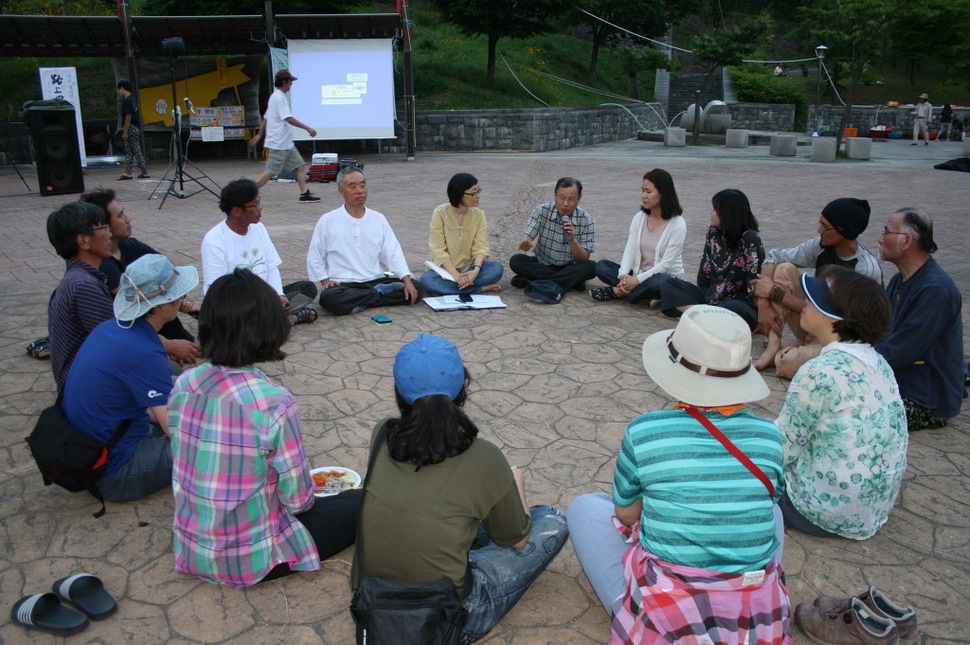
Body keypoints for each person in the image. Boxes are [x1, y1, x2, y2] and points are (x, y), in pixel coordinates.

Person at [567, 306, 789, 644]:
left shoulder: (646, 431)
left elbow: (626, 514)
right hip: (752, 615)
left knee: (586, 508)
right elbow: (772, 498)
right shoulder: (770, 436)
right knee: (770, 511)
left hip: (669, 614)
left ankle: (637, 618)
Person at [352, 333, 568, 643]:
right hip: (444, 617)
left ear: (399, 392)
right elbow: (517, 540)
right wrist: (516, 483)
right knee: (551, 520)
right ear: (462, 387)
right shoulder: (485, 456)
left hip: (372, 602)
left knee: (455, 514)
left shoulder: (382, 433)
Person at [168, 269, 361, 588]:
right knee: (360, 502)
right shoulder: (273, 402)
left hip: (194, 545)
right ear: (268, 327)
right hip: (249, 556)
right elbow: (298, 501)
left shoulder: (185, 383)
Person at [776, 268, 907, 539]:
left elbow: (782, 449)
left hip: (820, 512)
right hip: (869, 512)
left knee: (735, 469)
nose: (804, 303)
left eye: (813, 301)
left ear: (834, 316)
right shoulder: (878, 362)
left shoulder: (819, 371)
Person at [62, 254, 198, 502]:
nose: (183, 300)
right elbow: (176, 432)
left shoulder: (111, 329)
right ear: (162, 306)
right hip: (115, 473)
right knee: (210, 443)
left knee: (181, 395)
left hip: (93, 448)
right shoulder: (144, 352)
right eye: (177, 296)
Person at [752, 197, 882, 377]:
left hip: (839, 338)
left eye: (825, 227)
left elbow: (830, 314)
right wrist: (763, 301)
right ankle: (775, 344)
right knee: (784, 269)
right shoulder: (821, 246)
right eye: (819, 224)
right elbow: (774, 256)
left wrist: (776, 293)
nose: (819, 230)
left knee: (786, 363)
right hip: (814, 320)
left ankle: (799, 349)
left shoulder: (864, 269)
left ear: (843, 231)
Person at [81, 188, 201, 357]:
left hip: (158, 326)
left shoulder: (129, 245)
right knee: (159, 303)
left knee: (165, 300)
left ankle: (189, 345)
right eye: (121, 215)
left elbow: (168, 264)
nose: (128, 219)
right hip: (134, 338)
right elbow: (141, 297)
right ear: (102, 225)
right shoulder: (102, 264)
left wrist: (180, 293)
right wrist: (178, 298)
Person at [875, 208, 964, 431]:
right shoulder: (900, 279)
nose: (880, 239)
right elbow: (879, 329)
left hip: (925, 399)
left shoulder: (935, 289)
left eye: (886, 232)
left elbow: (903, 349)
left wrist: (855, 362)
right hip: (901, 382)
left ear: (906, 242)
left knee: (848, 416)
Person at [307, 167, 423, 315]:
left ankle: (363, 301)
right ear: (341, 191)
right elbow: (315, 254)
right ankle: (377, 295)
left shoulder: (378, 219)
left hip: (375, 280)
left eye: (363, 185)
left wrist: (406, 280)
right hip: (344, 284)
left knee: (417, 288)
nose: (360, 191)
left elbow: (392, 252)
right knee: (329, 299)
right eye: (353, 186)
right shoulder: (328, 220)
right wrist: (324, 281)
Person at [202, 178, 318, 325]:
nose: (260, 208)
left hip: (264, 296)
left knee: (306, 288)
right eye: (255, 204)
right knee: (235, 317)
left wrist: (279, 295)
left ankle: (270, 319)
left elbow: (271, 265)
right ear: (236, 210)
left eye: (259, 201)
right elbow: (217, 292)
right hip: (236, 303)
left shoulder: (259, 228)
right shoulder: (214, 241)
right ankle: (286, 320)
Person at [659, 189, 763, 329]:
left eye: (715, 209)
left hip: (738, 302)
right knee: (668, 284)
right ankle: (704, 316)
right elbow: (705, 272)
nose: (711, 212)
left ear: (727, 214)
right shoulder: (713, 233)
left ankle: (699, 314)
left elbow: (754, 282)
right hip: (711, 297)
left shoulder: (750, 239)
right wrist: (701, 294)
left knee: (730, 308)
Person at [590, 168, 685, 306]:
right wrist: (623, 276)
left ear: (663, 193)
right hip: (637, 274)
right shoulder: (639, 218)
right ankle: (643, 294)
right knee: (601, 266)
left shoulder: (678, 224)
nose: (643, 195)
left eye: (648, 191)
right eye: (643, 191)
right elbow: (630, 249)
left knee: (661, 282)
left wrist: (637, 280)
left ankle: (618, 292)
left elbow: (666, 264)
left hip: (664, 277)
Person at [46, 201, 114, 394]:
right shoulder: (83, 286)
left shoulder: (78, 278)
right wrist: (167, 344)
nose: (110, 234)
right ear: (83, 241)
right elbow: (118, 341)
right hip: (85, 390)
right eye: (104, 228)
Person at [419, 173, 503, 296]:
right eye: (473, 192)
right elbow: (437, 249)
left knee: (496, 269)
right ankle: (479, 289)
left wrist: (475, 271)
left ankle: (450, 289)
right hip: (445, 270)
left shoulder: (479, 214)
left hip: (469, 268)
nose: (477, 196)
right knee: (427, 280)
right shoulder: (440, 213)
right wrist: (456, 275)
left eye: (478, 191)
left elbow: (481, 246)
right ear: (459, 194)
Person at [508, 177, 595, 293]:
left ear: (579, 198)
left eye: (571, 199)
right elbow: (528, 236)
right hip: (542, 264)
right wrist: (526, 242)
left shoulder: (586, 219)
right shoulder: (541, 211)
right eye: (561, 198)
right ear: (555, 194)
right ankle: (569, 282)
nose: (565, 204)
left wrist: (573, 240)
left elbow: (584, 258)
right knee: (516, 261)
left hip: (569, 266)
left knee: (592, 267)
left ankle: (533, 282)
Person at [248, 69, 321, 204]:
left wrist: (259, 135)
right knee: (271, 172)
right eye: (290, 81)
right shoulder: (279, 98)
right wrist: (308, 128)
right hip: (279, 143)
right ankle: (247, 193)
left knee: (300, 166)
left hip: (286, 143)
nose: (291, 84)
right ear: (284, 82)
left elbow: (266, 118)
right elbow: (288, 119)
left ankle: (304, 194)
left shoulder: (275, 97)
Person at [116, 80, 149, 181]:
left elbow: (128, 116)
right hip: (136, 127)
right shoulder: (133, 99)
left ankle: (144, 171)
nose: (119, 92)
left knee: (135, 149)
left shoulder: (127, 101)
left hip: (130, 127)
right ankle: (128, 172)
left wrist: (125, 131)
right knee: (130, 150)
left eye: (119, 90)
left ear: (122, 88)